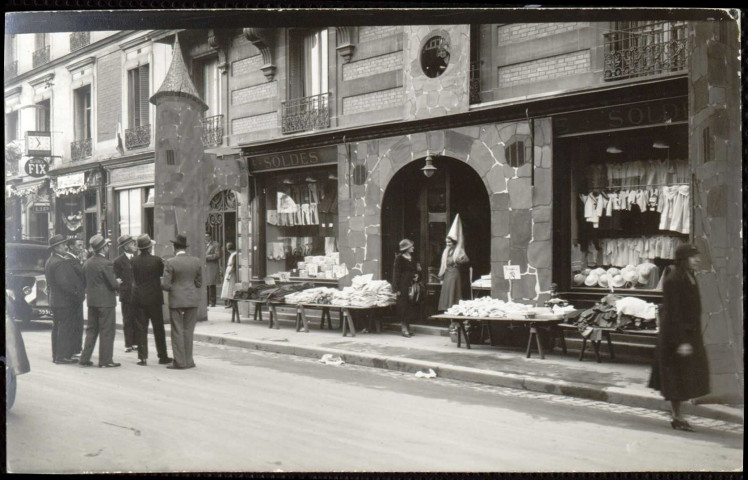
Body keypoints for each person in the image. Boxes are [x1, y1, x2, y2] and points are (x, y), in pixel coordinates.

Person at [648, 244, 710, 432]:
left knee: (685, 375)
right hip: (675, 336)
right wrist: (681, 341)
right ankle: (677, 417)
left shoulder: (689, 275)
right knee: (676, 377)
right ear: (683, 259)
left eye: (697, 256)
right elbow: (673, 312)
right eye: (693, 257)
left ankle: (678, 415)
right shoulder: (674, 278)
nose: (697, 260)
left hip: (688, 334)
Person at [161, 234, 203, 370]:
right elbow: (199, 283)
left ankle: (180, 362)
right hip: (192, 299)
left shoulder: (170, 262)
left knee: (177, 331)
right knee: (188, 331)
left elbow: (166, 285)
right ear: (185, 247)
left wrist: (174, 288)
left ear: (174, 247)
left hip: (176, 300)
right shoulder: (196, 261)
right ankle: (189, 361)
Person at [78, 235, 120, 368]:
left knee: (91, 330)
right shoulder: (106, 263)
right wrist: (118, 282)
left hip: (92, 300)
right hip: (106, 301)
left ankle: (85, 358)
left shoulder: (87, 263)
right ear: (104, 247)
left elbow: (84, 282)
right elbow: (112, 284)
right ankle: (105, 360)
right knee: (107, 331)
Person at [131, 234, 172, 367]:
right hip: (154, 298)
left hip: (139, 298)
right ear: (149, 248)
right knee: (158, 328)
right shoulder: (157, 260)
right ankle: (162, 356)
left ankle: (142, 357)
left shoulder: (133, 261)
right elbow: (161, 274)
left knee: (141, 328)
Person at [44, 234, 84, 364]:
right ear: (56, 248)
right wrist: (76, 294)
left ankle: (56, 355)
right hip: (64, 301)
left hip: (56, 300)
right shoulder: (60, 262)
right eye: (62, 245)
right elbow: (64, 283)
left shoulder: (50, 260)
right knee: (64, 329)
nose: (65, 247)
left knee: (57, 328)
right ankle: (62, 356)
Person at [437, 214, 470, 312]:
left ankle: (453, 311)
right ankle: (447, 311)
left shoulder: (458, 252)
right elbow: (444, 265)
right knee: (447, 293)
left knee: (453, 293)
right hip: (447, 275)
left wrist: (460, 258)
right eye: (447, 242)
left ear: (454, 242)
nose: (448, 244)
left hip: (454, 275)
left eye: (450, 242)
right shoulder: (446, 252)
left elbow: (465, 260)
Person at [113, 234, 138, 353]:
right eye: (132, 244)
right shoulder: (118, 261)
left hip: (138, 294)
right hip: (126, 294)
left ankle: (136, 342)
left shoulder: (138, 258)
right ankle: (128, 344)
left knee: (137, 318)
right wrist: (120, 288)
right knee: (127, 319)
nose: (135, 245)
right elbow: (116, 278)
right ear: (126, 247)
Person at [392, 239, 421, 338]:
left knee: (410, 306)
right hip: (403, 285)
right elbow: (396, 274)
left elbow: (417, 270)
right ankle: (404, 328)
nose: (413, 248)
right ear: (406, 248)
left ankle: (408, 327)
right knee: (403, 306)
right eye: (411, 246)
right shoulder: (399, 259)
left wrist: (417, 275)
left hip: (411, 284)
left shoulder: (413, 258)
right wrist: (396, 289)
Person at [64, 237, 86, 358]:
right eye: (79, 245)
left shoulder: (74, 259)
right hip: (74, 297)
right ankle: (75, 348)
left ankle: (76, 347)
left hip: (77, 296)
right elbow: (80, 274)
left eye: (82, 245)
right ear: (71, 246)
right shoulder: (69, 259)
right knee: (75, 323)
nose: (81, 248)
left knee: (78, 323)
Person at [205, 233, 221, 307]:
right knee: (205, 285)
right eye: (205, 236)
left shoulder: (215, 244)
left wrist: (206, 257)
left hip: (212, 266)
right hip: (205, 266)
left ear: (210, 236)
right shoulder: (203, 244)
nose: (206, 238)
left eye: (207, 236)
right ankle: (206, 302)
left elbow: (217, 255)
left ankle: (212, 302)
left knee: (211, 284)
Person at [220, 242, 237, 308]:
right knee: (228, 287)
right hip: (229, 270)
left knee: (230, 286)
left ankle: (231, 302)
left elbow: (233, 265)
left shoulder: (234, 254)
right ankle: (229, 301)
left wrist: (229, 273)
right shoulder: (233, 254)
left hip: (231, 271)